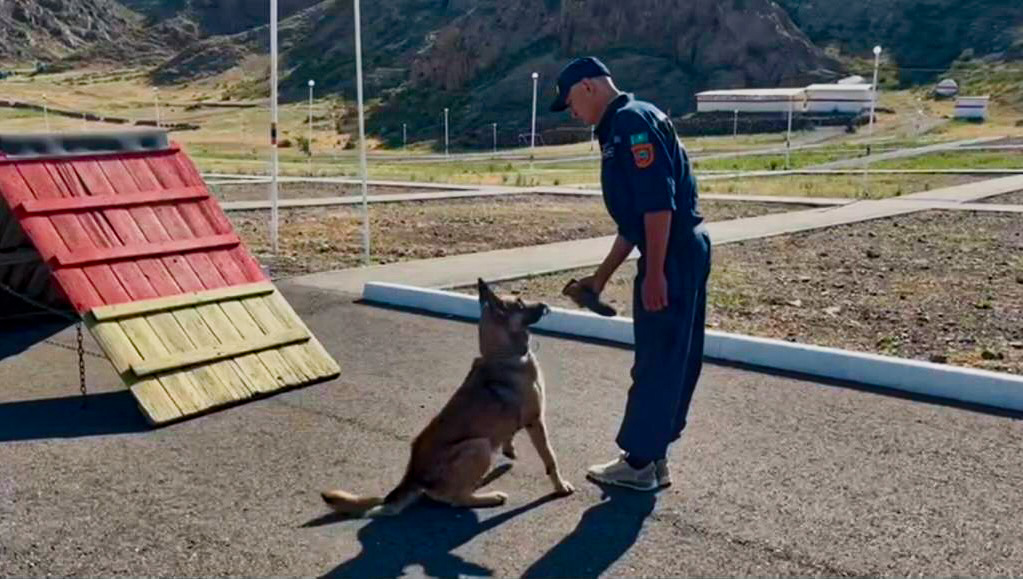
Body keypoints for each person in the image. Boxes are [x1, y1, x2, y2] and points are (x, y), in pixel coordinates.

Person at [549, 57, 712, 491]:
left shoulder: (630, 124)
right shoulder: (631, 119)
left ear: (587, 86)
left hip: (673, 253)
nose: (572, 113)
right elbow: (634, 223)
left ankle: (640, 463)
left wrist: (655, 272)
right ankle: (653, 458)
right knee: (672, 357)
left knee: (658, 359)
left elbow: (658, 204)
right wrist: (598, 281)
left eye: (569, 103)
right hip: (677, 249)